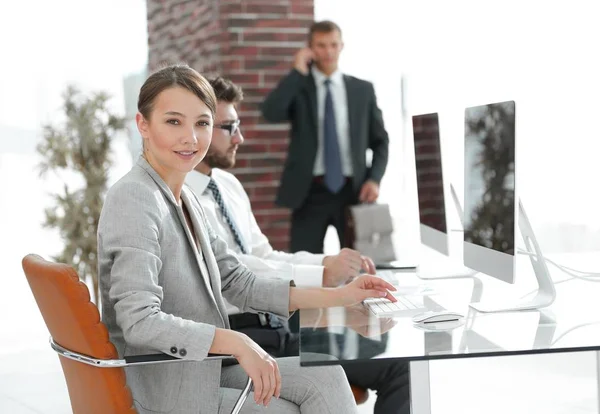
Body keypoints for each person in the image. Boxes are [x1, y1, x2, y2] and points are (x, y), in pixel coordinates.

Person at [97, 63, 397, 414]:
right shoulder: (135, 198)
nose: (190, 138)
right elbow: (139, 320)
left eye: (202, 123)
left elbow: (239, 281)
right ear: (143, 124)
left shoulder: (185, 197)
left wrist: (341, 296)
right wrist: (236, 342)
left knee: (327, 374)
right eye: (173, 121)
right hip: (167, 387)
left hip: (204, 371)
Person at [186, 76, 411, 414]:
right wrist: (322, 275)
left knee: (399, 363)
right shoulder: (184, 200)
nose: (240, 138)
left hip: (279, 327)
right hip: (244, 334)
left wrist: (329, 263)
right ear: (198, 128)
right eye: (228, 127)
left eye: (238, 125)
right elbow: (240, 272)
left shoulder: (227, 185)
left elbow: (263, 255)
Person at [261, 20, 390, 255]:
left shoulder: (362, 90)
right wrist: (298, 71)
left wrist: (374, 179)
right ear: (309, 48)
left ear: (342, 46)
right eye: (321, 45)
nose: (328, 51)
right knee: (304, 265)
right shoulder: (300, 88)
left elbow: (380, 141)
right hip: (310, 192)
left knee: (360, 266)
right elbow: (271, 112)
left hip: (353, 192)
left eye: (333, 44)